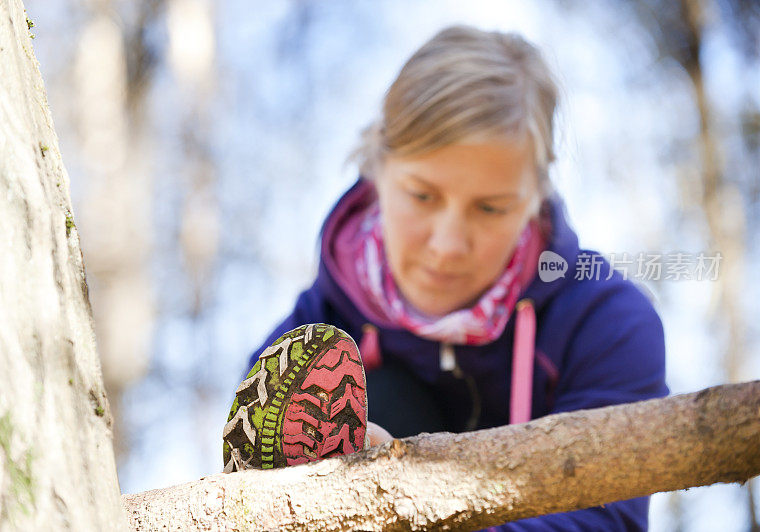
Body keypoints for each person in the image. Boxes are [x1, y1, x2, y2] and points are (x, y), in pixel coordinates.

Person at [223, 25, 667, 531]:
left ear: (535, 198)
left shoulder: (604, 324)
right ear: (376, 168)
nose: (448, 244)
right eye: (422, 196)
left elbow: (606, 520)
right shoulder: (305, 341)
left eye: (491, 207)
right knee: (359, 391)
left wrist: (408, 508)